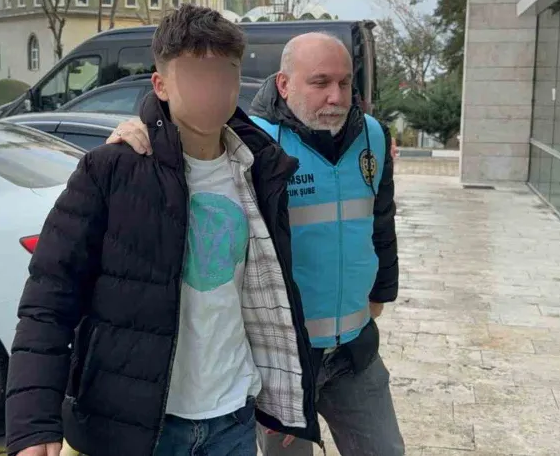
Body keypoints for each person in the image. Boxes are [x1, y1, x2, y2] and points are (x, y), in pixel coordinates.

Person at [4, 5, 320, 456]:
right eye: (195, 74)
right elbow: (48, 299)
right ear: (161, 85)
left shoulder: (260, 172)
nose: (213, 88)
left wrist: (284, 399)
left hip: (232, 418)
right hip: (136, 426)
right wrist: (33, 423)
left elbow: (273, 292)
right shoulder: (111, 170)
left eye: (225, 72)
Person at [108, 32, 404, 455]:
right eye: (320, 82)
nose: (337, 96)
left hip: (355, 353)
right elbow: (182, 127)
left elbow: (381, 221)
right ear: (284, 84)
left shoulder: (372, 135)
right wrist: (141, 127)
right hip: (284, 361)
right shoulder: (249, 141)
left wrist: (382, 293)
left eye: (344, 82)